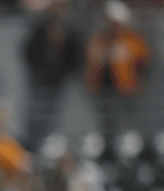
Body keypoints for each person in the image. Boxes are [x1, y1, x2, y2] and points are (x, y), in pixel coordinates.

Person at [84, 0, 150, 149]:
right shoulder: (100, 40)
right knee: (107, 122)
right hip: (104, 88)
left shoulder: (132, 39)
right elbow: (91, 61)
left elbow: (144, 62)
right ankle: (108, 148)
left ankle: (128, 148)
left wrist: (140, 82)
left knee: (127, 122)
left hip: (125, 88)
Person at [22, 0, 82, 151]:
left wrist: (66, 72)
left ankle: (48, 142)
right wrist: (37, 69)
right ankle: (34, 142)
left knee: (53, 112)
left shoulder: (69, 29)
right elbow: (28, 50)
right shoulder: (41, 28)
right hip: (39, 79)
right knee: (36, 111)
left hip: (57, 79)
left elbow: (75, 54)